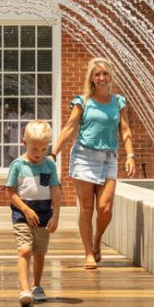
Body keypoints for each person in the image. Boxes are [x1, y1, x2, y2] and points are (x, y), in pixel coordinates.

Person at [50, 58, 136, 269]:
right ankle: (89, 252)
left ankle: (97, 240)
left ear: (110, 76)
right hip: (84, 157)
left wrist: (130, 155)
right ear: (91, 78)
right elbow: (70, 128)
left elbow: (124, 130)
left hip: (109, 158)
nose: (101, 78)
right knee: (87, 208)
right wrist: (53, 153)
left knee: (105, 208)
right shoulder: (83, 102)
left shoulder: (119, 102)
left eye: (105, 73)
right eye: (97, 74)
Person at [5, 120, 61, 307]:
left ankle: (37, 285)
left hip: (44, 215)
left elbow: (55, 190)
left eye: (44, 149)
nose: (39, 154)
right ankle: (24, 289)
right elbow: (10, 192)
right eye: (34, 149)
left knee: (39, 253)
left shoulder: (49, 166)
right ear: (24, 143)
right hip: (22, 215)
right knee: (25, 250)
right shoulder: (17, 165)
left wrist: (56, 215)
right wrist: (26, 209)